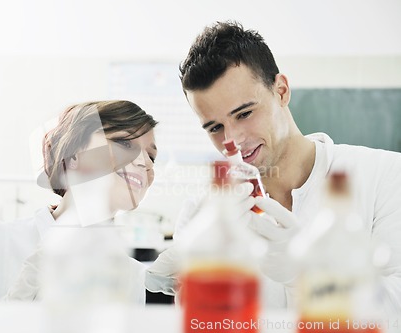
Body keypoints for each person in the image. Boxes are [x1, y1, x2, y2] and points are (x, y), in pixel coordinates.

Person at [146, 20, 401, 314]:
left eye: (244, 114)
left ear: (281, 91)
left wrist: (304, 275)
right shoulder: (203, 213)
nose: (232, 141)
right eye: (214, 127)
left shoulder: (385, 176)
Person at [0, 100, 158, 303]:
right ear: (73, 155)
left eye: (151, 156)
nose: (143, 162)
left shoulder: (131, 276)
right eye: (125, 143)